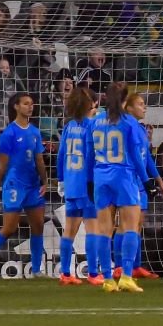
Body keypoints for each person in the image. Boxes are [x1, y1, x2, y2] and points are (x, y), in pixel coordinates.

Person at [0, 93, 48, 280]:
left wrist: (45, 181)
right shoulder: (9, 133)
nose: (30, 107)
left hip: (33, 186)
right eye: (26, 104)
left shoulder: (35, 132)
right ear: (16, 106)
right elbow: (3, 166)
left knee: (38, 226)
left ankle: (37, 270)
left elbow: (39, 159)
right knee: (9, 228)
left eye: (31, 104)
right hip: (15, 185)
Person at [87, 83, 151, 293]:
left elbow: (89, 154)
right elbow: (136, 156)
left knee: (104, 231)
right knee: (130, 227)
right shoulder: (129, 123)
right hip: (124, 177)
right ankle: (125, 276)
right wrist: (147, 181)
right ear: (125, 101)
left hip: (100, 177)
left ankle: (106, 279)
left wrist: (89, 180)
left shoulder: (96, 121)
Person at [113, 92, 163, 281]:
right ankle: (119, 267)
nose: (144, 107)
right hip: (129, 181)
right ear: (128, 107)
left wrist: (159, 181)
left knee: (136, 226)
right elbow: (135, 158)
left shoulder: (139, 128)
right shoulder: (125, 126)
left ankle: (135, 267)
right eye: (140, 104)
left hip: (141, 183)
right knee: (125, 226)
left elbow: (147, 159)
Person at [55, 87, 101, 285]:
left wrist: (60, 180)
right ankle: (92, 273)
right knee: (92, 228)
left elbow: (60, 155)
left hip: (71, 184)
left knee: (69, 230)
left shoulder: (69, 126)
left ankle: (65, 273)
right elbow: (91, 156)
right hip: (87, 184)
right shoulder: (92, 126)